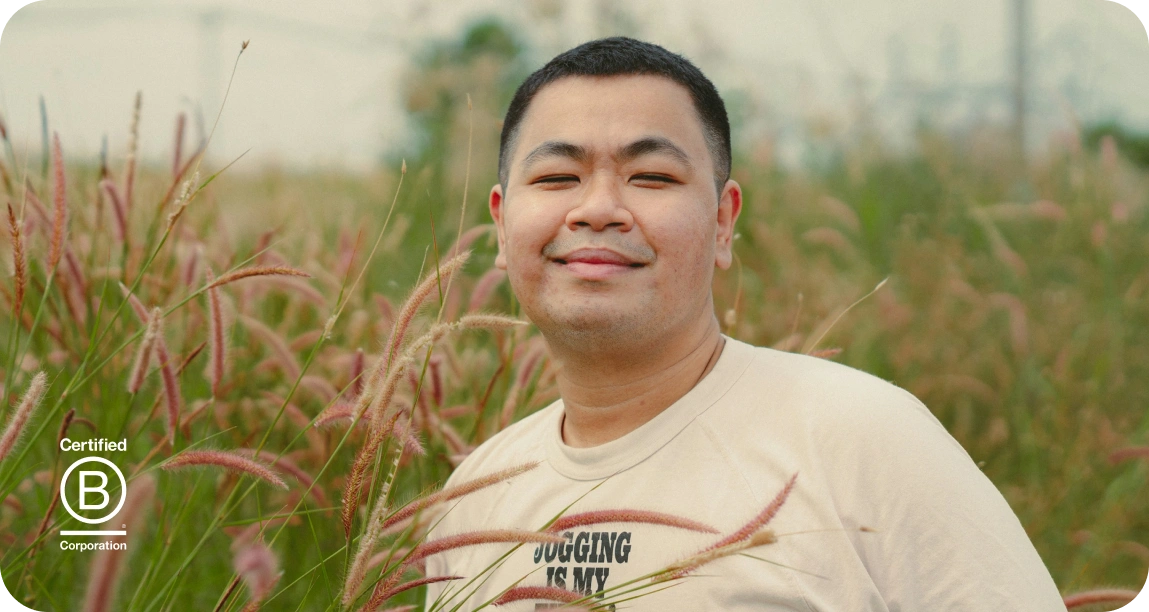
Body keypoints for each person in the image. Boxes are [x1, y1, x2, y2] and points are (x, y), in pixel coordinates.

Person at [424, 36, 1067, 611]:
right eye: (558, 176)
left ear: (724, 221)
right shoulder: (474, 501)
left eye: (651, 176)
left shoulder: (867, 441)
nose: (598, 209)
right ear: (503, 224)